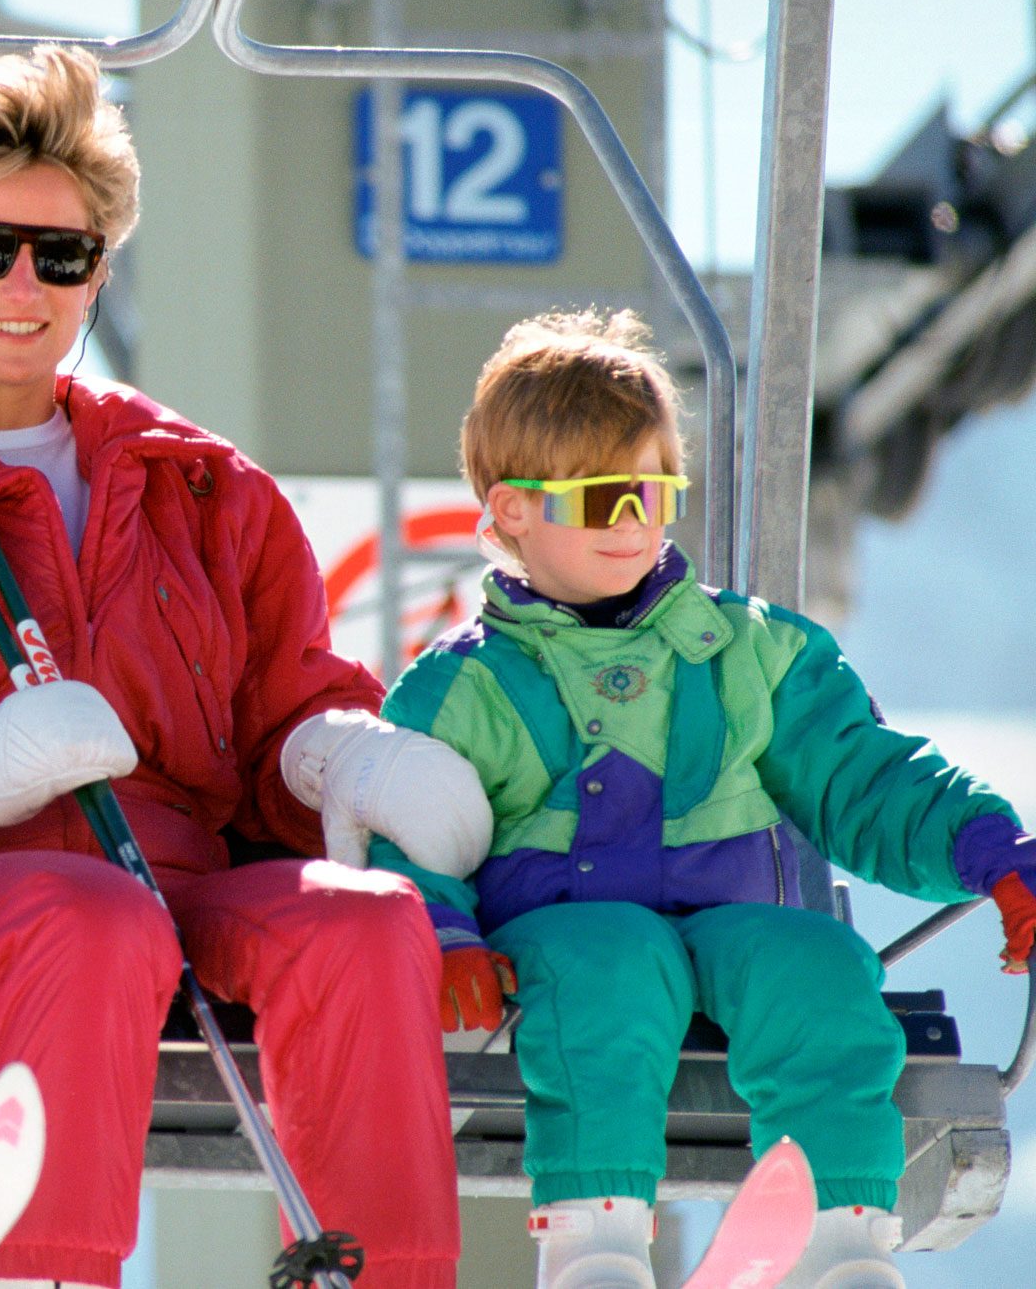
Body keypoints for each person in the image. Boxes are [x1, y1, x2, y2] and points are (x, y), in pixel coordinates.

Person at [0, 46, 493, 1289]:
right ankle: (44, 1269)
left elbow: (283, 706)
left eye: (60, 256)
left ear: (97, 274)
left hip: (179, 873)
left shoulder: (204, 490)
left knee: (366, 924)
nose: (22, 284)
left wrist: (347, 753)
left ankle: (391, 1276)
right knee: (90, 917)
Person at [370, 308, 1036, 1289]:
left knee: (817, 962)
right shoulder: (467, 688)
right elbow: (405, 828)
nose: (633, 522)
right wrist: (442, 936)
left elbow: (859, 773)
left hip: (730, 923)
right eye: (601, 499)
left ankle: (842, 1236)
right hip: (559, 940)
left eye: (652, 491)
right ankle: (593, 1243)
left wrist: (991, 847)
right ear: (511, 509)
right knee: (609, 961)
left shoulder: (744, 654)